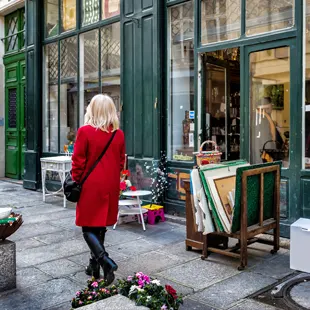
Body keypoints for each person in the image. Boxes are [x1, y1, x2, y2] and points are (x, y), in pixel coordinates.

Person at [71, 94, 125, 285]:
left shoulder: (85, 132)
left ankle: (105, 261)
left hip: (90, 184)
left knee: (88, 227)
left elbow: (78, 162)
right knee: (99, 225)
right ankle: (93, 266)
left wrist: (75, 181)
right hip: (110, 184)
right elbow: (120, 162)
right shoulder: (118, 134)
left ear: (91, 110)